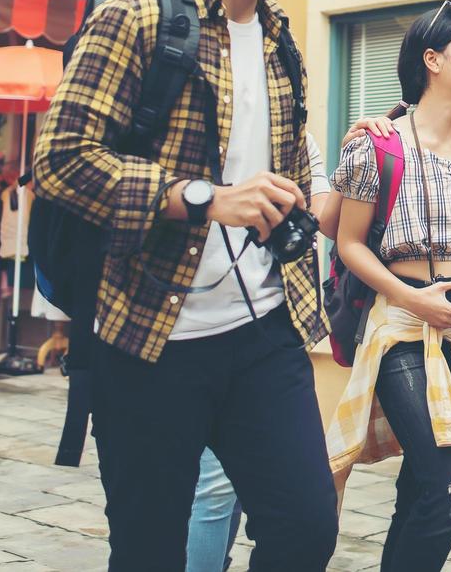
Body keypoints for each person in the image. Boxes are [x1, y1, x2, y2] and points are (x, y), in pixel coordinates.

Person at [32, 0, 337, 571]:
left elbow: (287, 168)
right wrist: (202, 199)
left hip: (264, 329)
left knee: (304, 529)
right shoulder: (137, 19)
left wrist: (319, 200)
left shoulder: (276, 38)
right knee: (149, 551)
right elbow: (61, 160)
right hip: (146, 336)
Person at [325, 0, 451, 571]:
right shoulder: (377, 144)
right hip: (401, 328)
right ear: (433, 60)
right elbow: (349, 243)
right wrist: (410, 295)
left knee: (422, 487)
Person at [185, 132, 338, 572]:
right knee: (212, 491)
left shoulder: (292, 122)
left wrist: (355, 158)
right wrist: (211, 199)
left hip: (269, 329)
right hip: (183, 330)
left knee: (299, 519)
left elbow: (322, 215)